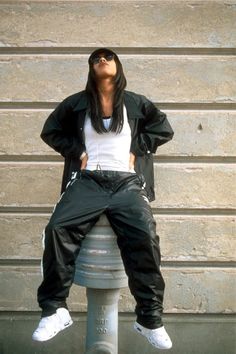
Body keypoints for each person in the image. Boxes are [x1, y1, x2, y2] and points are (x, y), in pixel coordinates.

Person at [32, 48, 174, 350]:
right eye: (96, 58)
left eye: (108, 57)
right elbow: (51, 131)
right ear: (91, 68)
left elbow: (163, 128)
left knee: (145, 236)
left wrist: (139, 148)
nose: (102, 60)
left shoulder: (136, 102)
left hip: (126, 183)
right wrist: (77, 152)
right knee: (57, 229)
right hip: (88, 181)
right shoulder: (77, 103)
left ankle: (149, 318)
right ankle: (54, 309)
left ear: (118, 65)